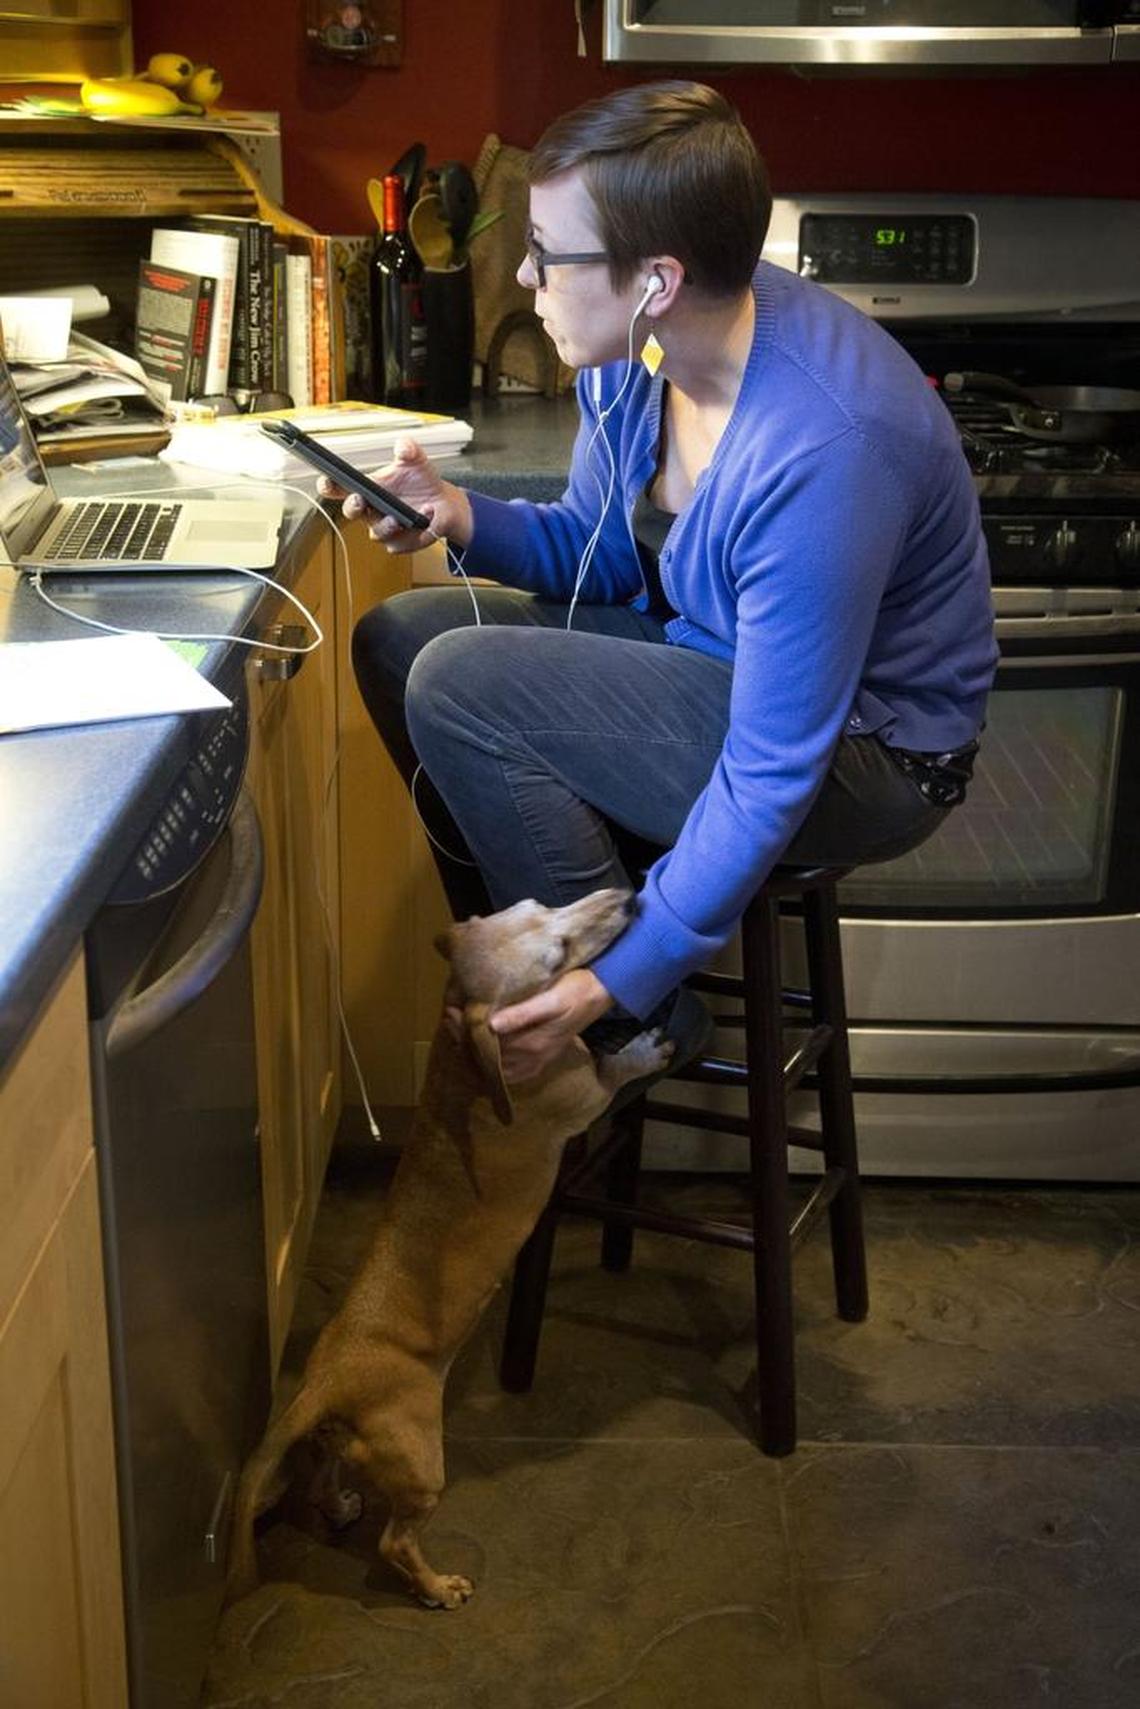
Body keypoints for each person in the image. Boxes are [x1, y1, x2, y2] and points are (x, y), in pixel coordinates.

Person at [333, 80, 998, 1090]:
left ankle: (619, 1020)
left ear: (656, 279)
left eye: (547, 254)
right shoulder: (637, 349)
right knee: (398, 641)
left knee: (462, 684)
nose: (525, 275)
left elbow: (772, 769)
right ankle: (528, 961)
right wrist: (460, 513)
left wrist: (622, 978)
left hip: (872, 755)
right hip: (716, 664)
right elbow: (599, 556)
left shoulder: (825, 451)